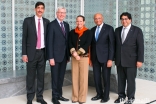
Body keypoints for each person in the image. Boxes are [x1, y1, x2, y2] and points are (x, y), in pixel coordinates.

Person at [22, 2, 50, 104]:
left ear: (44, 10)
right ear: (35, 9)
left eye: (42, 8)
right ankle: (30, 98)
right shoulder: (28, 21)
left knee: (41, 76)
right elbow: (24, 38)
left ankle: (39, 97)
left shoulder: (47, 22)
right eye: (38, 8)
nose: (40, 10)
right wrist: (24, 54)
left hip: (42, 53)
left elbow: (48, 39)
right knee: (30, 76)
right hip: (31, 53)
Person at [114, 12, 144, 104]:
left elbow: (140, 46)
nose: (124, 21)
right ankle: (121, 96)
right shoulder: (117, 30)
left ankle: (131, 97)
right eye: (122, 19)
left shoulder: (137, 30)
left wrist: (140, 60)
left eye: (126, 19)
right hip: (120, 60)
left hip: (132, 60)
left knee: (130, 81)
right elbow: (116, 45)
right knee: (121, 80)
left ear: (130, 20)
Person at [46, 7, 70, 104]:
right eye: (60, 12)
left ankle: (60, 95)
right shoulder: (51, 25)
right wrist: (50, 57)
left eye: (63, 13)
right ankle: (54, 97)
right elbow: (49, 42)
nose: (62, 14)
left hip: (64, 57)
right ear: (57, 13)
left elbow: (67, 42)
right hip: (55, 57)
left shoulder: (67, 25)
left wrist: (67, 56)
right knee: (55, 77)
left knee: (61, 77)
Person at [90, 13, 115, 103]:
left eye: (99, 18)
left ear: (102, 18)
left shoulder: (109, 28)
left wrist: (110, 59)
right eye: (96, 18)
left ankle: (106, 96)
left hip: (105, 58)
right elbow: (92, 45)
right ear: (94, 20)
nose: (97, 20)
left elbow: (112, 45)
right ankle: (99, 94)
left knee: (106, 78)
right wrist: (91, 59)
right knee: (96, 77)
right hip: (95, 58)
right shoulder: (92, 30)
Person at [69, 15, 93, 104]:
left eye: (81, 21)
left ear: (84, 22)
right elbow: (69, 43)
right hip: (74, 57)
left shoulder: (88, 32)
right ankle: (75, 97)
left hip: (84, 58)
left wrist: (78, 53)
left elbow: (87, 44)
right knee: (74, 77)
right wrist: (74, 53)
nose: (79, 23)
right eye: (77, 21)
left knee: (83, 78)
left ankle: (82, 98)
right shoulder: (72, 32)